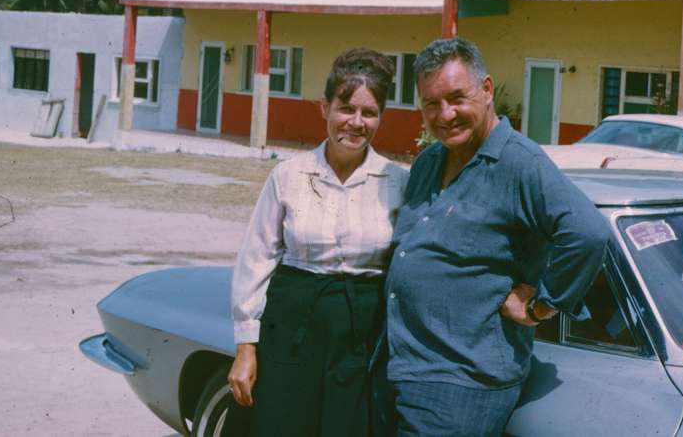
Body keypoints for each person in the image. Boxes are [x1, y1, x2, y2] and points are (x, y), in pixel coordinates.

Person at [384, 37, 610, 437]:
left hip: (460, 384)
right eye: (431, 103)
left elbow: (587, 232)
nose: (445, 114)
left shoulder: (520, 163)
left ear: (486, 90)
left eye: (457, 98)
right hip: (404, 367)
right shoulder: (429, 161)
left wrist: (543, 305)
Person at [227, 48, 409, 437]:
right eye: (346, 108)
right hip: (292, 325)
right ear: (324, 107)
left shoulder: (397, 182)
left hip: (362, 333)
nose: (356, 122)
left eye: (370, 112)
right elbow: (256, 259)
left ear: (381, 117)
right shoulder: (289, 176)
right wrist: (246, 348)